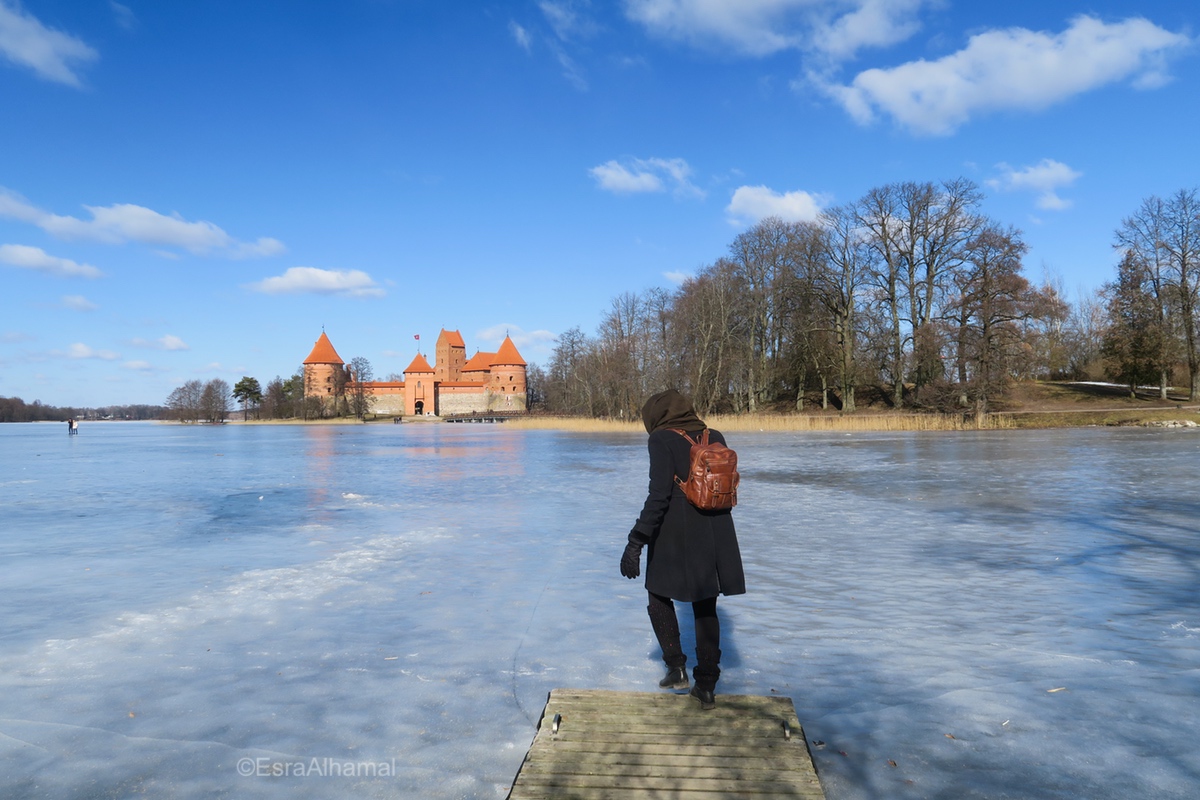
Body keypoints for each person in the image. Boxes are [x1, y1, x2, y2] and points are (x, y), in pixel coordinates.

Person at [620, 389, 745, 710]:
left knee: (657, 594)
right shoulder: (713, 434)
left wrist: (636, 541)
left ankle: (676, 668)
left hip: (676, 530)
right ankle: (706, 684)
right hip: (717, 528)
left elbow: (659, 494)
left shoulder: (661, 439)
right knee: (706, 605)